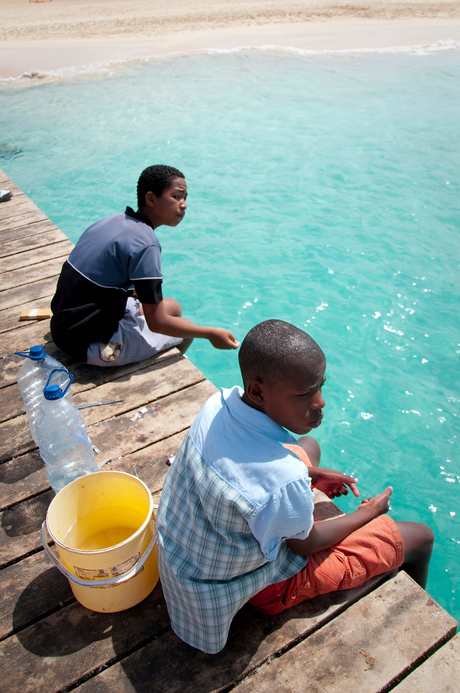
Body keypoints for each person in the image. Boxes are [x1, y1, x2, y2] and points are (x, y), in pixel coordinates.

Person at [157, 319, 434, 654]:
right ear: (258, 391)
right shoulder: (282, 480)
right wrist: (369, 513)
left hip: (182, 557)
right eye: (305, 394)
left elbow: (252, 476)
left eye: (320, 386)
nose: (320, 402)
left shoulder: (215, 406)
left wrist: (310, 473)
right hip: (255, 585)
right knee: (420, 537)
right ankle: (420, 629)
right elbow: (305, 546)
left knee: (309, 444)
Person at [50, 165, 239, 367]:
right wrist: (211, 334)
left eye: (185, 198)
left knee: (173, 306)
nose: (183, 205)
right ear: (151, 199)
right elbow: (157, 323)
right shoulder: (146, 244)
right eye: (176, 197)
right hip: (88, 342)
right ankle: (158, 378)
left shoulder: (112, 222)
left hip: (64, 325)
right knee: (187, 331)